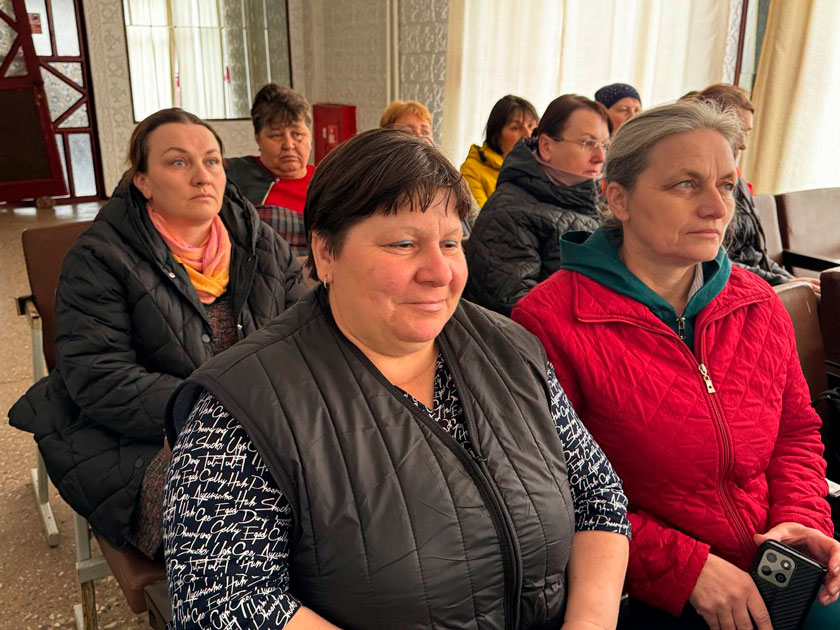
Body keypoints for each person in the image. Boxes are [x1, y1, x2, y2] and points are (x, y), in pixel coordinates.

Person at [163, 128, 631, 629]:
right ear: (325, 253)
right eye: (404, 244)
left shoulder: (511, 350)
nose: (440, 272)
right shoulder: (243, 407)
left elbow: (598, 497)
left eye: (450, 242)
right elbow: (224, 602)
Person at [512, 100, 840, 629]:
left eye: (726, 185)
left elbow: (795, 432)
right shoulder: (550, 321)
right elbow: (553, 494)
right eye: (686, 184)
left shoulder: (755, 301)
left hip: (777, 568)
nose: (717, 208)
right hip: (643, 590)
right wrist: (685, 570)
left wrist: (801, 523)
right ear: (618, 198)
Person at [8, 108, 307, 557]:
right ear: (143, 181)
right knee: (240, 520)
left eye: (211, 160)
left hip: (265, 425)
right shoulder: (100, 258)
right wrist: (219, 416)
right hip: (142, 439)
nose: (202, 176)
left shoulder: (259, 241)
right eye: (178, 162)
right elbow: (99, 376)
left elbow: (305, 335)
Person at [465, 94, 609, 316]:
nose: (600, 156)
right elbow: (519, 314)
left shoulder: (603, 203)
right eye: (588, 143)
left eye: (604, 145)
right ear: (546, 146)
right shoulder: (509, 215)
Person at [690, 83, 819, 294]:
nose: (743, 144)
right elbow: (711, 263)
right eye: (738, 130)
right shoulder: (696, 193)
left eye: (747, 133)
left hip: (761, 284)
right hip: (733, 289)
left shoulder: (739, 183)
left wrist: (792, 281)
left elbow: (758, 255)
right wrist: (782, 283)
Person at [226, 84, 314, 255]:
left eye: (297, 134)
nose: (288, 145)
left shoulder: (329, 182)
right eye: (276, 135)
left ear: (309, 136)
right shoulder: (231, 175)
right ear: (258, 139)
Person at [460, 94, 539, 207]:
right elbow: (479, 216)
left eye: (531, 126)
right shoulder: (472, 170)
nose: (528, 134)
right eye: (515, 128)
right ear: (496, 136)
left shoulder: (542, 169)